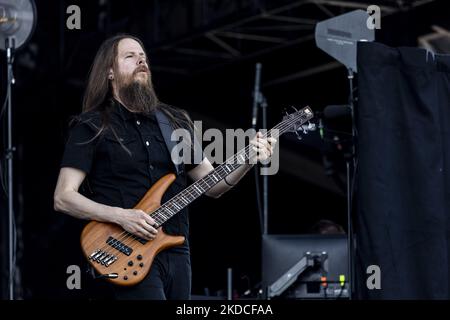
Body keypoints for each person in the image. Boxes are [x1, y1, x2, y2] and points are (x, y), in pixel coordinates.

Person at [53, 34, 276, 300]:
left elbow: (213, 184)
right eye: (130, 56)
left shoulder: (175, 121)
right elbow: (64, 197)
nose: (141, 60)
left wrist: (247, 158)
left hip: (177, 252)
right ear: (110, 72)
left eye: (143, 56)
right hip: (125, 251)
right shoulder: (91, 126)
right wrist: (122, 216)